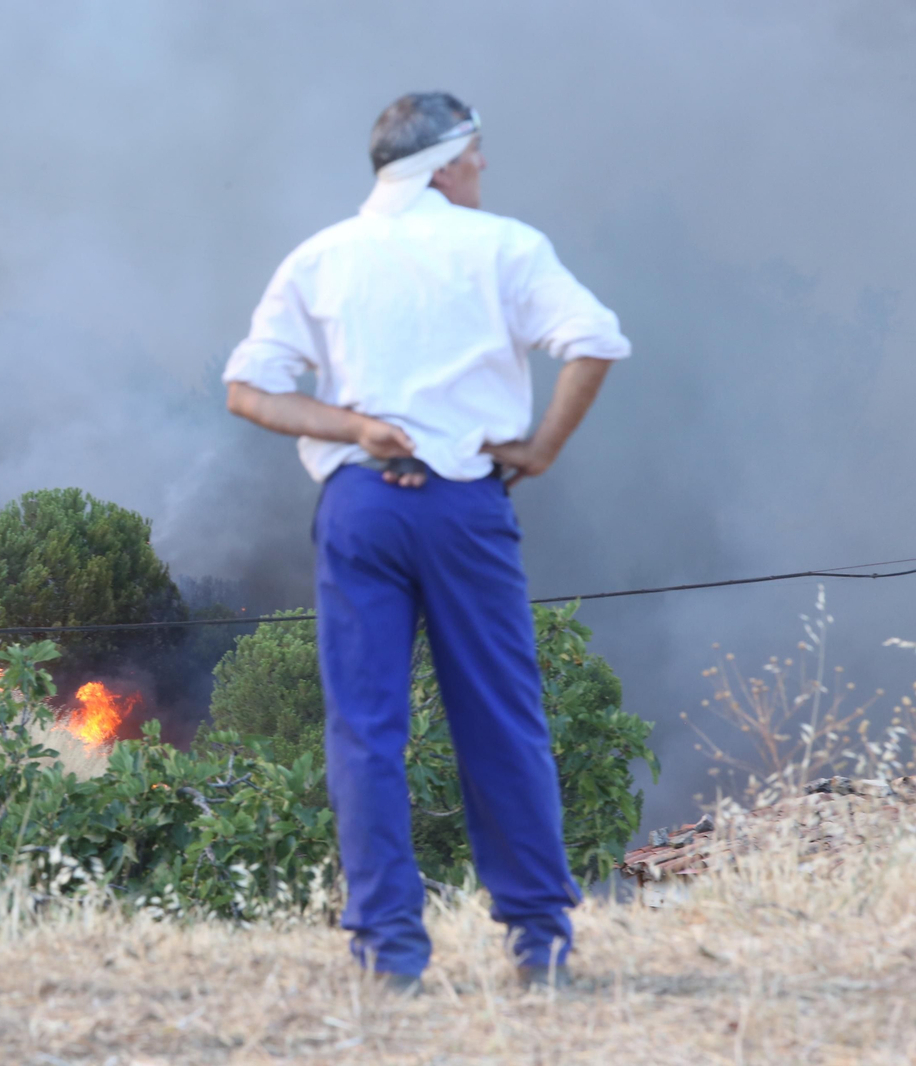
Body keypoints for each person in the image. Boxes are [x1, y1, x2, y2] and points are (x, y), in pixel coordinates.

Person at [222, 91, 629, 990]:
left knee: (365, 729)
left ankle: (389, 952)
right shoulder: (504, 247)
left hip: (361, 509)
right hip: (464, 508)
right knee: (499, 715)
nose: (484, 168)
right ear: (443, 161)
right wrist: (541, 449)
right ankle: (540, 945)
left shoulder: (321, 256)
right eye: (478, 152)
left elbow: (248, 391)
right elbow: (593, 341)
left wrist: (353, 426)